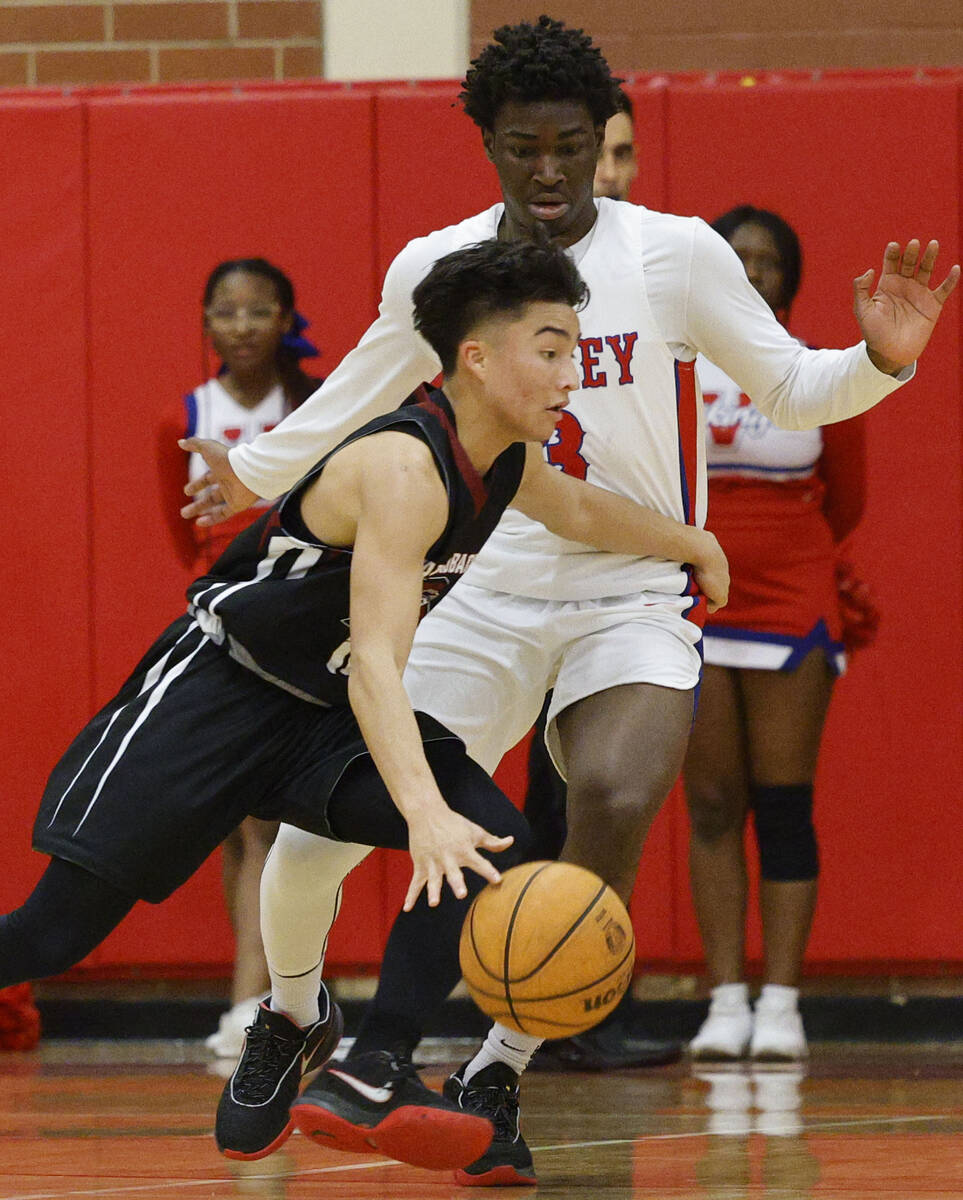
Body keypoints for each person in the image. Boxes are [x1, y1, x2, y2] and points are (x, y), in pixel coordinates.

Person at [180, 16, 958, 1186]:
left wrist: (881, 360)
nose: (550, 170)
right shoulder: (437, 270)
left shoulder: (675, 254)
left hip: (632, 592)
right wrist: (251, 470)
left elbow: (794, 390)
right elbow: (350, 400)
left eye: (573, 145)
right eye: (523, 146)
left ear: (605, 142)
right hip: (480, 592)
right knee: (307, 849)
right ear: (487, 144)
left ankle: (498, 1062)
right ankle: (295, 1018)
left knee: (611, 787)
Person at [1, 238, 727, 1172]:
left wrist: (690, 541)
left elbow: (576, 511)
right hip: (218, 694)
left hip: (318, 715)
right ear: (477, 357)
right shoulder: (401, 465)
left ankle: (374, 1065)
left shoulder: (500, 454)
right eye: (550, 351)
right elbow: (381, 663)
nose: (570, 374)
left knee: (483, 833)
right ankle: (300, 1025)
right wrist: (420, 811)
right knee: (49, 936)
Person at [684, 207, 876, 1062]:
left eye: (767, 262)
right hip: (694, 599)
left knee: (783, 805)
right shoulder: (674, 369)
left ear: (789, 282)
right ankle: (725, 998)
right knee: (713, 803)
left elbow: (847, 499)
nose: (751, 272)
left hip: (790, 600)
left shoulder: (817, 372)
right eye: (736, 258)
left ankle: (782, 1002)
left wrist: (794, 562)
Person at [522, 83, 680, 1072]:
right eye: (596, 153)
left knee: (599, 793)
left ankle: (567, 1008)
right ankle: (356, 1024)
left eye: (619, 155)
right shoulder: (492, 279)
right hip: (512, 581)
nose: (605, 174)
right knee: (475, 806)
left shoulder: (662, 272)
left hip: (624, 584)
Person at [160, 258, 323, 1060]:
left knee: (271, 821)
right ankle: (260, 996)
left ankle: (259, 1001)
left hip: (297, 616)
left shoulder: (317, 406)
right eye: (226, 311)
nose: (243, 326)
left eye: (261, 310)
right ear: (205, 323)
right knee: (239, 824)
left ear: (285, 319)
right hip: (219, 623)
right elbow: (179, 529)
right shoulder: (186, 415)